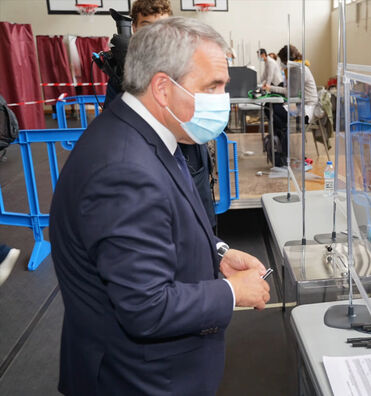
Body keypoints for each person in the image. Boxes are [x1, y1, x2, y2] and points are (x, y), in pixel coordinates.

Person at [50, 18, 271, 395]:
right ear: (163, 88)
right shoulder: (123, 169)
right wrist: (232, 292)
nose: (223, 98)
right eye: (212, 86)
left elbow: (161, 222)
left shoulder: (144, 135)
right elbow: (145, 307)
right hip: (140, 380)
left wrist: (215, 252)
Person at [107, 0, 218, 228]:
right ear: (135, 29)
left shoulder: (190, 64)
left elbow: (203, 121)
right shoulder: (122, 71)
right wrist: (125, 77)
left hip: (189, 165)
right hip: (146, 176)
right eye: (147, 26)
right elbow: (114, 131)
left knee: (203, 236)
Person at [262, 45, 318, 166]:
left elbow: (290, 93)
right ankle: (283, 129)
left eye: (282, 61)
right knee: (269, 106)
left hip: (307, 109)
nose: (281, 64)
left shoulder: (298, 69)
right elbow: (291, 91)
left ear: (286, 60)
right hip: (301, 105)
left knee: (271, 107)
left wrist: (270, 88)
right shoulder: (297, 67)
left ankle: (284, 129)